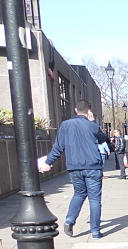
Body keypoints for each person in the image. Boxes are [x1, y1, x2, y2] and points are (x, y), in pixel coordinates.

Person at [39, 99, 107, 238]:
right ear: (89, 111)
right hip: (93, 167)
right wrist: (94, 123)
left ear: (76, 110)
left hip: (74, 167)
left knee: (79, 194)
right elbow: (102, 139)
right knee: (94, 200)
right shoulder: (92, 126)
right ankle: (95, 231)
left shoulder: (65, 125)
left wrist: (48, 162)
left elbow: (58, 147)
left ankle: (70, 220)